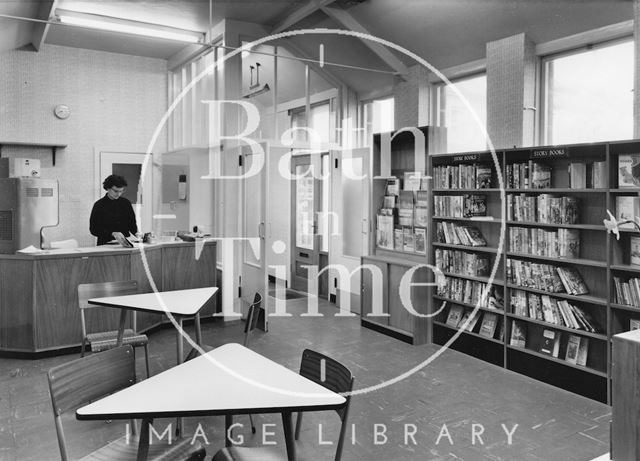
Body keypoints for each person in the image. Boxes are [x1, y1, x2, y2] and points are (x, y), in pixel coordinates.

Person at [90, 174, 138, 245]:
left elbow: (132, 225)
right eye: (116, 191)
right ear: (108, 188)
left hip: (124, 244)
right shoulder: (99, 205)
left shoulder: (126, 203)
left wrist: (138, 235)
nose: (118, 194)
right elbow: (94, 229)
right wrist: (112, 233)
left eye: (121, 191)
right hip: (105, 244)